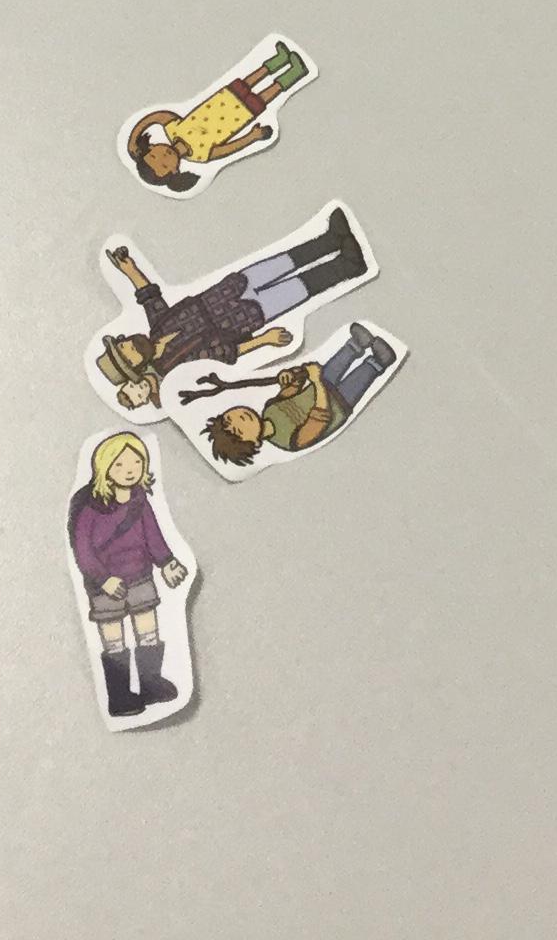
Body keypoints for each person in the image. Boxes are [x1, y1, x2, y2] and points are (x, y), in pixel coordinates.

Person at [95, 209, 371, 412]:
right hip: (244, 318)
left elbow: (149, 296)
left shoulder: (157, 327)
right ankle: (348, 265)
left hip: (227, 290)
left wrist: (129, 268)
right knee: (298, 289)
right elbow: (224, 353)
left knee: (281, 263)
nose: (130, 347)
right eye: (129, 357)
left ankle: (331, 240)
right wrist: (263, 340)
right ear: (138, 367)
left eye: (123, 346)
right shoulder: (173, 367)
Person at [67, 435, 189, 720]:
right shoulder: (90, 508)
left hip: (140, 576)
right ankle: (119, 697)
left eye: (136, 461)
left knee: (148, 630)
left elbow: (153, 535)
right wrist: (103, 579)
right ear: (104, 467)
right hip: (105, 585)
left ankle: (150, 684)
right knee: (113, 638)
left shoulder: (139, 500)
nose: (129, 469)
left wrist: (167, 562)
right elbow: (82, 549)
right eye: (119, 464)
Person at [202, 324, 403, 469]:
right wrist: (316, 382)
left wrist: (290, 379)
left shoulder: (269, 410)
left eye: (231, 417)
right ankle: (377, 362)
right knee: (359, 377)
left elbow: (290, 392)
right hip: (338, 404)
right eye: (239, 429)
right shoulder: (290, 441)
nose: (240, 418)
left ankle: (355, 346)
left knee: (331, 369)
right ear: (254, 444)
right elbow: (321, 418)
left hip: (318, 387)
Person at [127, 39, 312, 194]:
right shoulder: (200, 155)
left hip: (225, 97)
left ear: (151, 147)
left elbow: (156, 117)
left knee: (248, 81)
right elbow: (230, 148)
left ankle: (278, 60)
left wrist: (134, 139)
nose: (163, 157)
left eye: (153, 155)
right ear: (175, 171)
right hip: (241, 115)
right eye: (164, 166)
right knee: (265, 96)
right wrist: (252, 137)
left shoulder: (173, 129)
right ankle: (294, 73)